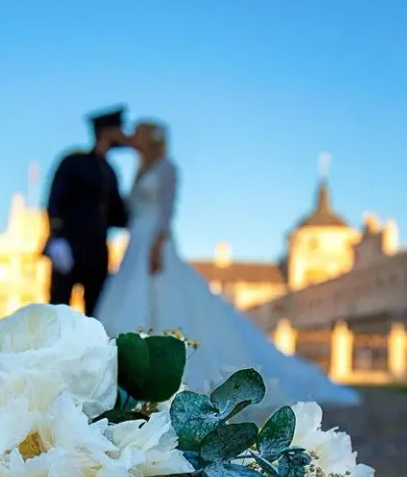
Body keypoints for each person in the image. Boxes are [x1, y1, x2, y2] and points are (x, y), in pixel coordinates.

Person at [93, 120, 359, 407]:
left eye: (138, 132)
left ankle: (157, 369)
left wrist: (158, 242)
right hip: (136, 243)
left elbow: (167, 211)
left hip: (155, 241)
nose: (132, 137)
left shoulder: (167, 168)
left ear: (150, 138)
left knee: (161, 301)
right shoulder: (141, 169)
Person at [43, 107, 130, 315]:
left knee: (95, 313)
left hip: (97, 253)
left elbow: (117, 217)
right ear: (106, 131)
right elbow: (55, 200)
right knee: (59, 310)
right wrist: (57, 237)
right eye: (119, 129)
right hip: (70, 246)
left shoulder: (110, 171)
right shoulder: (73, 161)